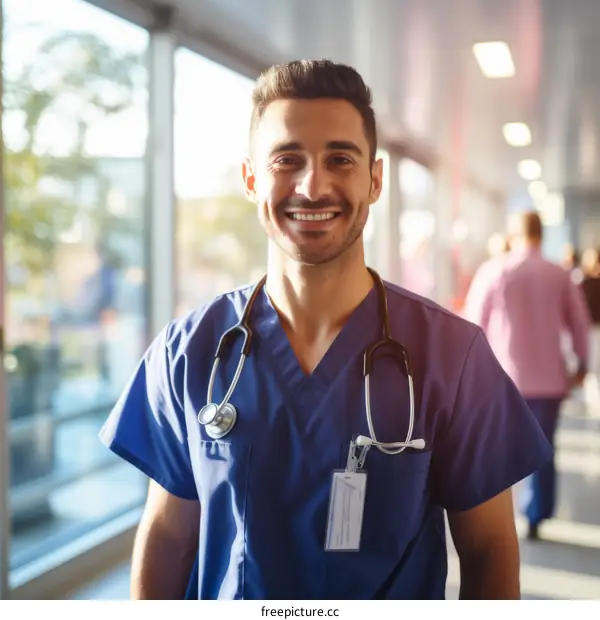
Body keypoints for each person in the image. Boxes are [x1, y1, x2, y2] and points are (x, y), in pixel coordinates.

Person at [99, 60, 552, 600]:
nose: (313, 187)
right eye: (287, 160)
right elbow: (169, 537)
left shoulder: (453, 356)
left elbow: (489, 551)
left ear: (375, 179)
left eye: (340, 159)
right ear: (251, 179)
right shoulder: (190, 353)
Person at [463, 211, 590, 541]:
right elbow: (579, 322)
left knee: (503, 447)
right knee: (544, 447)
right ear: (542, 235)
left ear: (513, 234)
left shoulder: (495, 271)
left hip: (505, 378)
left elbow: (473, 325)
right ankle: (537, 514)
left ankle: (502, 516)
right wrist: (583, 364)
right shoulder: (559, 274)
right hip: (550, 379)